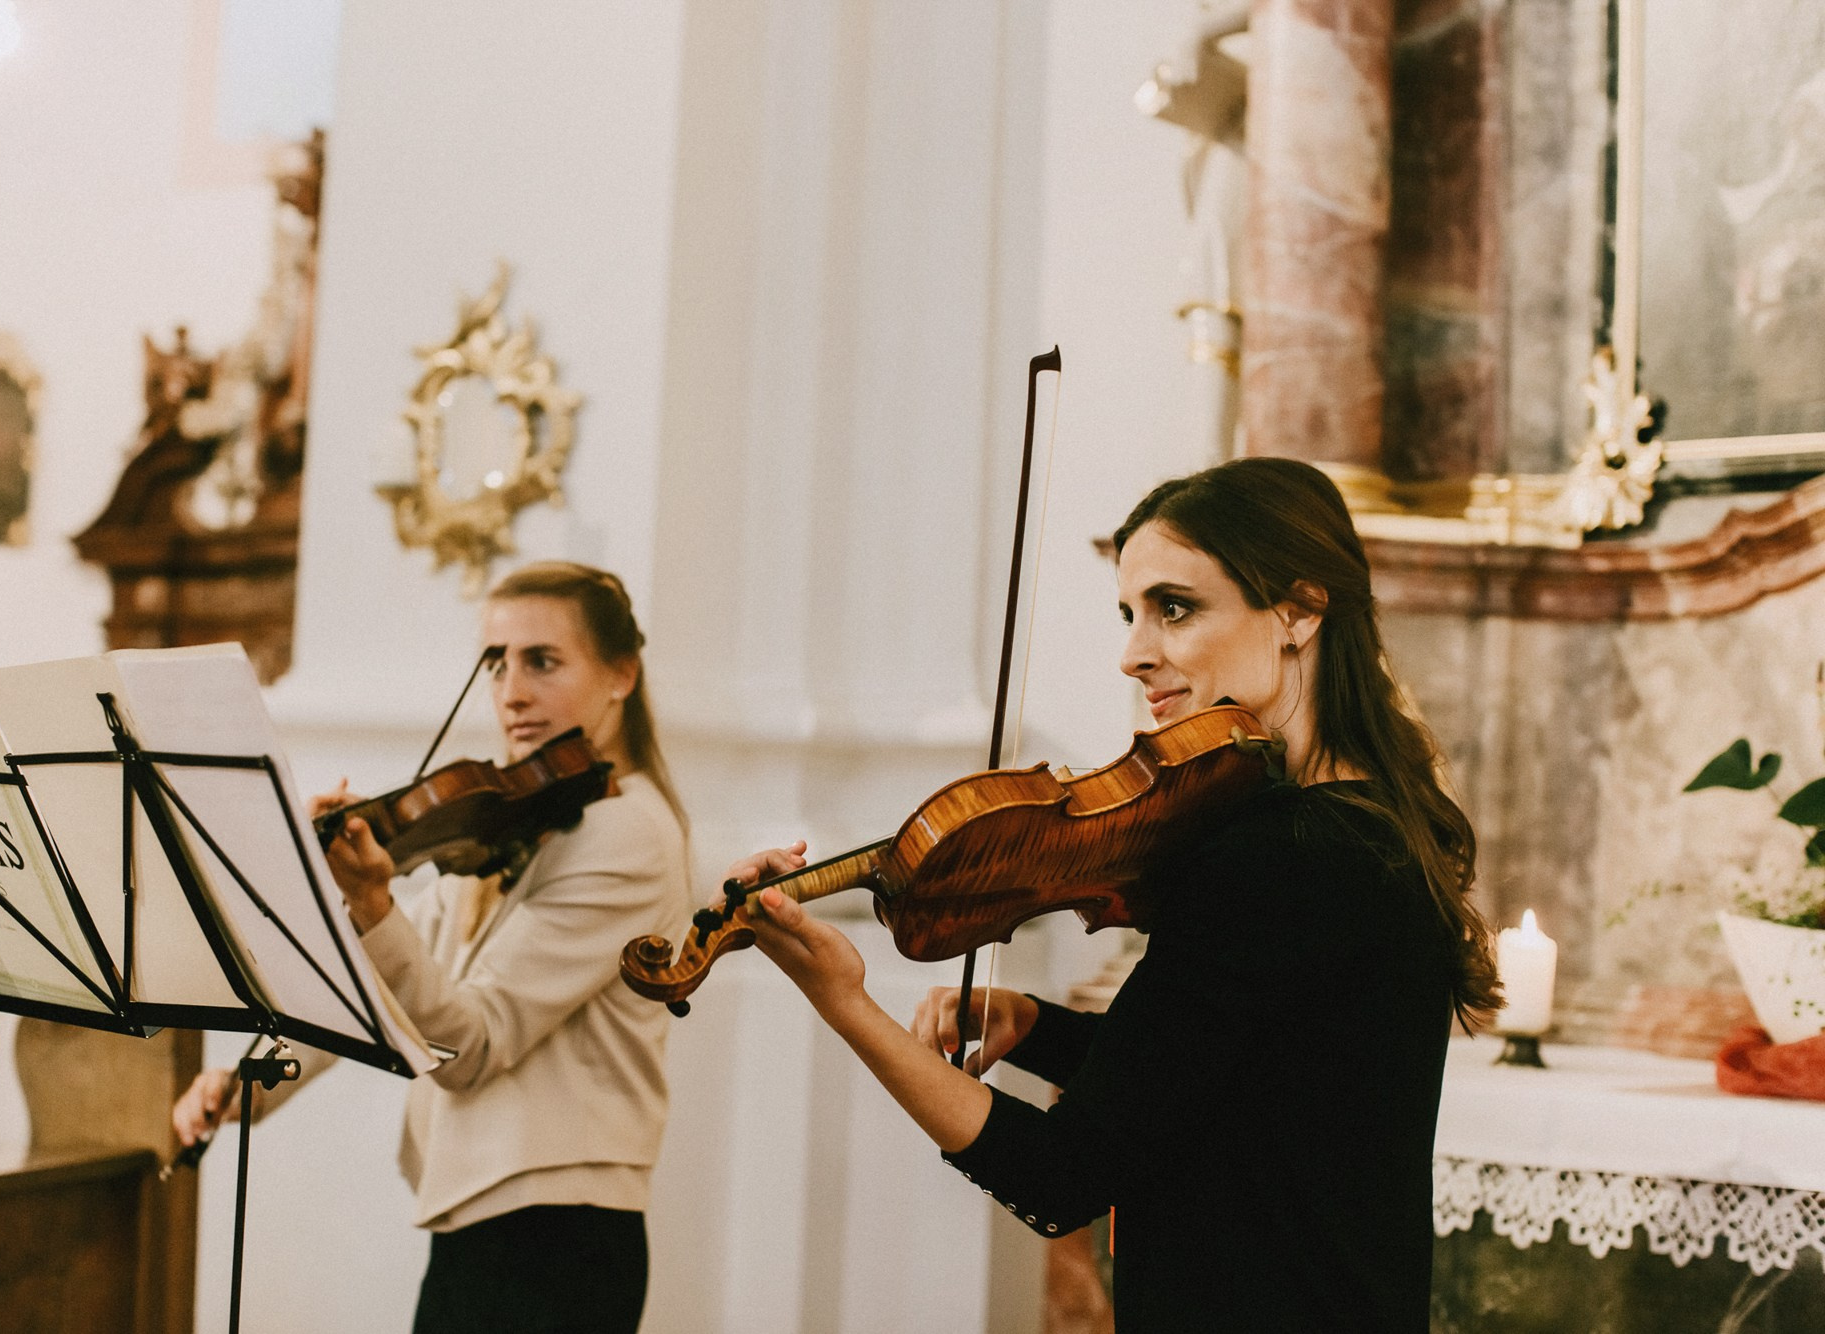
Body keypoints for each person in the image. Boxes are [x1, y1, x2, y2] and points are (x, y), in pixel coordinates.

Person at [728, 457, 1502, 1332]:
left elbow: (1065, 1175)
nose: (1134, 653)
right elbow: (1227, 1080)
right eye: (1131, 613)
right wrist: (1035, 1026)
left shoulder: (1278, 855)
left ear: (1298, 611)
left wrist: (846, 1003)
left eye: (1175, 608)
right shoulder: (1368, 828)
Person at [173, 561, 691, 1334]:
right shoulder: (507, 816)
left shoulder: (627, 834)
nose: (511, 691)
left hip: (558, 1235)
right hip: (487, 1224)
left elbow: (471, 1045)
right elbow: (396, 979)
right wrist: (255, 1076)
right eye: (496, 662)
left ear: (621, 674)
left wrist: (375, 902)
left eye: (542, 661)